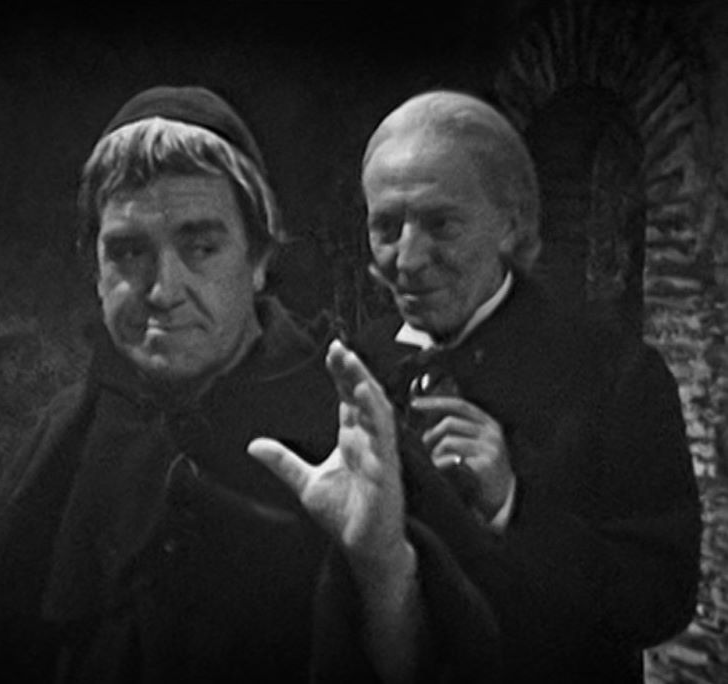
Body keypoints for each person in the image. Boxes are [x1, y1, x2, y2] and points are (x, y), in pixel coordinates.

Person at [0, 86, 497, 684]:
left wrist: (382, 565)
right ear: (95, 269)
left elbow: (471, 652)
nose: (162, 289)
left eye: (200, 247)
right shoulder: (71, 432)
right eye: (128, 252)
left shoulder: (353, 426)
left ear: (259, 259)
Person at [249, 90, 702, 683]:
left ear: (510, 224)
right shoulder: (356, 364)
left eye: (440, 223)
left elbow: (661, 600)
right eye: (386, 227)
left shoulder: (615, 374)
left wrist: (511, 506)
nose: (407, 259)